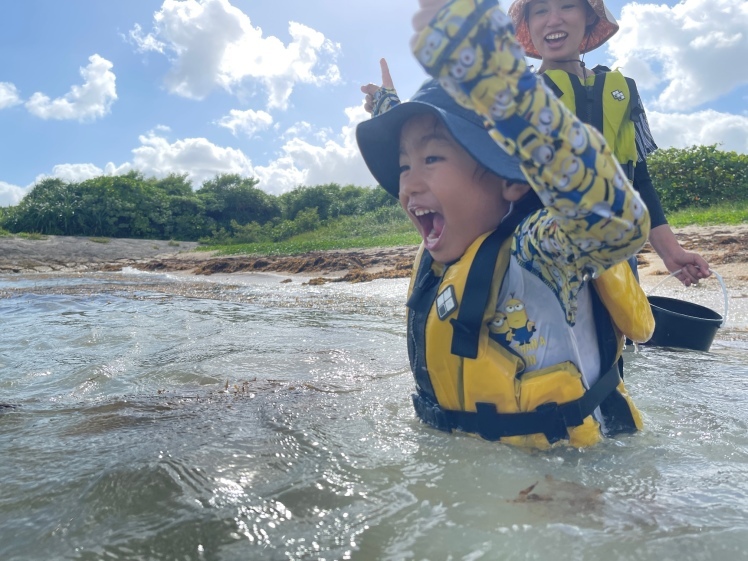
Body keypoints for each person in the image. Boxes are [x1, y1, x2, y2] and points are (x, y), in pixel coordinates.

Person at [356, 0, 656, 448]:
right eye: (403, 167)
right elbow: (441, 153)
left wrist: (504, 85)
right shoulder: (448, 251)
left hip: (577, 487)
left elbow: (616, 223)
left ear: (511, 183)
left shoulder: (539, 252)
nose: (408, 186)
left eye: (431, 159)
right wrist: (387, 106)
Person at [508, 0, 711, 287]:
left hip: (616, 263)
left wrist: (672, 253)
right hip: (539, 265)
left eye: (566, 6)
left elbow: (637, 181)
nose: (553, 20)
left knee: (618, 332)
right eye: (540, 11)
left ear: (589, 17)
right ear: (528, 25)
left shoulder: (623, 91)